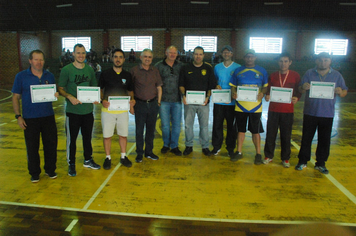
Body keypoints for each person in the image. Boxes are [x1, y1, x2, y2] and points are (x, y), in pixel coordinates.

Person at [296, 52, 348, 174]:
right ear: (316, 61)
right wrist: (303, 87)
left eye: (326, 60)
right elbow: (300, 89)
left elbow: (344, 91)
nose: (323, 62)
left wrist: (341, 92)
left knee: (324, 140)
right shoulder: (309, 73)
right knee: (306, 138)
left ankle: (320, 163)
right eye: (320, 60)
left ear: (330, 61)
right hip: (310, 112)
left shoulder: (337, 75)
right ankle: (302, 161)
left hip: (327, 113)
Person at [12, 49, 58, 182]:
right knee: (32, 147)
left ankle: (50, 170)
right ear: (30, 61)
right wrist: (18, 116)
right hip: (30, 118)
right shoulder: (21, 76)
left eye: (41, 59)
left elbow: (53, 92)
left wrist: (55, 95)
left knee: (51, 145)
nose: (39, 62)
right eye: (36, 59)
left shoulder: (49, 76)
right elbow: (15, 97)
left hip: (48, 116)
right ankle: (34, 173)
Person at [58, 44, 101, 177]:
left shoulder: (89, 70)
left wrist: (95, 97)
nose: (81, 55)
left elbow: (94, 88)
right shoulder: (66, 70)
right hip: (73, 112)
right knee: (72, 140)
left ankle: (88, 159)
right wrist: (69, 96)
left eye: (83, 53)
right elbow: (60, 88)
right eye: (78, 53)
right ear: (73, 54)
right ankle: (71, 163)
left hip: (88, 111)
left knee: (87, 138)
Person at [230, 49, 268, 165]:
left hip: (255, 106)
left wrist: (263, 93)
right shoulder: (238, 70)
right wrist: (233, 93)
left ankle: (258, 154)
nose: (249, 59)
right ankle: (239, 152)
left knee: (255, 131)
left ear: (255, 57)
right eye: (247, 57)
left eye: (251, 57)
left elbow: (265, 86)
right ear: (244, 58)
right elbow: (233, 86)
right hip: (240, 106)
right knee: (240, 130)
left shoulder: (262, 71)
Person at [263, 52, 301, 167]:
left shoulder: (295, 75)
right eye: (281, 61)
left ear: (290, 62)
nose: (283, 64)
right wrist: (267, 95)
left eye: (285, 61)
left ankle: (285, 158)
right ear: (278, 62)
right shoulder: (273, 75)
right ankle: (268, 156)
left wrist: (297, 98)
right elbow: (268, 90)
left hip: (288, 111)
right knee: (271, 134)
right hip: (273, 109)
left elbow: (298, 90)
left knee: (286, 135)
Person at [99, 49, 135, 169]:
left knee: (123, 135)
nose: (118, 59)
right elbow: (100, 89)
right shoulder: (105, 74)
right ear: (112, 58)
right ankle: (108, 158)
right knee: (107, 136)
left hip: (122, 111)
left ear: (124, 59)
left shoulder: (127, 75)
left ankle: (123, 156)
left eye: (120, 57)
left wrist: (131, 102)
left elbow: (130, 91)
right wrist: (102, 100)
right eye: (115, 57)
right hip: (108, 110)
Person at [179, 46, 217, 156]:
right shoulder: (185, 68)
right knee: (188, 125)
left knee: (204, 126)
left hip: (203, 103)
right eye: (196, 54)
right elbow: (181, 85)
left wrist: (207, 97)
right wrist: (183, 96)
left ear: (204, 55)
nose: (198, 56)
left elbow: (211, 85)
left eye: (200, 54)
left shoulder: (208, 68)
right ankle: (189, 146)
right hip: (189, 103)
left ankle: (205, 147)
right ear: (193, 55)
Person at [131, 49, 162, 163]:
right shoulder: (134, 70)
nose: (147, 59)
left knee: (150, 130)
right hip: (139, 104)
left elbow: (159, 87)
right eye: (145, 57)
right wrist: (132, 103)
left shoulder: (155, 71)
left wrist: (158, 102)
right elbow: (130, 89)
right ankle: (139, 153)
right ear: (140, 57)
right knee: (139, 130)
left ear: (152, 59)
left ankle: (149, 152)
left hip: (153, 104)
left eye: (149, 57)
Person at [211, 46, 241, 160]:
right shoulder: (217, 67)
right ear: (222, 54)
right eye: (224, 52)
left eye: (228, 52)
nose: (226, 54)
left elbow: (240, 83)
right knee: (217, 124)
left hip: (231, 102)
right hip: (219, 101)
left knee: (231, 127)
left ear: (232, 54)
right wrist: (215, 85)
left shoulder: (238, 67)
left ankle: (230, 148)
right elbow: (214, 81)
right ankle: (216, 146)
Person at [155, 46, 183, 156]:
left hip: (177, 100)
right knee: (165, 126)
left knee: (176, 125)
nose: (172, 54)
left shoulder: (181, 66)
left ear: (177, 54)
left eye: (174, 53)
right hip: (163, 101)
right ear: (166, 53)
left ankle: (174, 145)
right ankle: (166, 144)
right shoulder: (158, 66)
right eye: (170, 52)